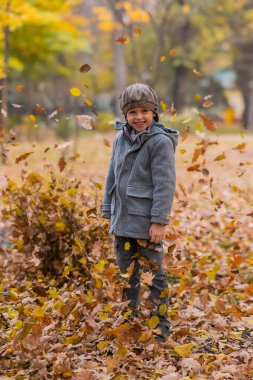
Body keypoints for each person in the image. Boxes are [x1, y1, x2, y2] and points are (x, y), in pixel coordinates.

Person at [100, 83, 179, 342]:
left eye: (145, 110)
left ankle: (161, 326)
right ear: (125, 114)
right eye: (133, 111)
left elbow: (165, 185)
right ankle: (131, 318)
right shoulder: (119, 138)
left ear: (154, 112)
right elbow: (112, 174)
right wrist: (107, 208)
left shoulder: (160, 143)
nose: (139, 117)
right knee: (128, 273)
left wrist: (159, 221)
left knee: (155, 275)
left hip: (147, 224)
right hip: (123, 220)